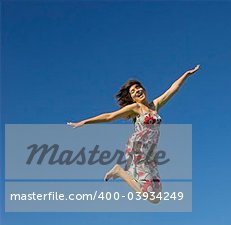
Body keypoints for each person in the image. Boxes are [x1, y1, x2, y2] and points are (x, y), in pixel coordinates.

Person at [67, 65, 200, 203]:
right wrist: (84, 122)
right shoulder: (135, 108)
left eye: (138, 88)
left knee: (157, 198)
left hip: (150, 153)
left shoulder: (154, 105)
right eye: (133, 91)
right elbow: (109, 116)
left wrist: (186, 74)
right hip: (138, 149)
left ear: (144, 89)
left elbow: (173, 89)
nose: (137, 91)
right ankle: (119, 171)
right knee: (148, 196)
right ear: (132, 98)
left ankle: (121, 172)